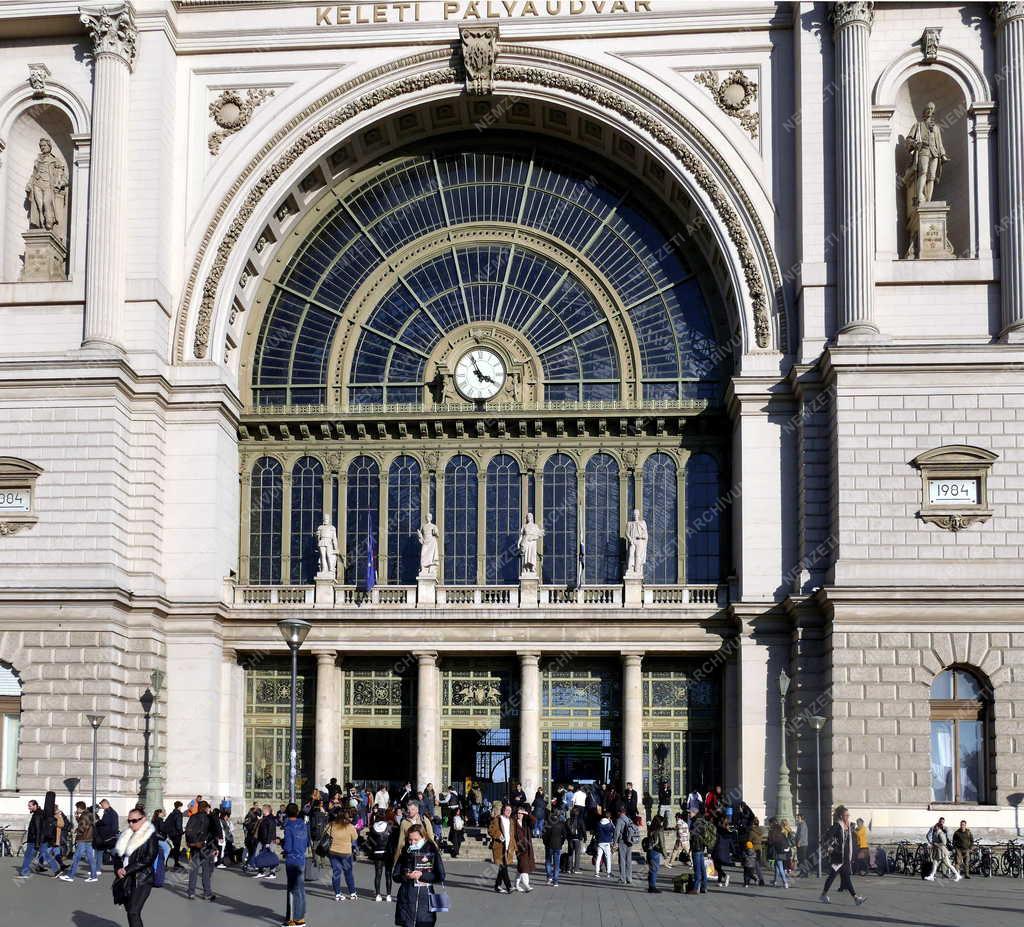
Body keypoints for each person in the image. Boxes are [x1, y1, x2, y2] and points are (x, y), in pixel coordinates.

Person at [112, 809, 159, 927]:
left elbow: (148, 858)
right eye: (129, 821)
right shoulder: (126, 835)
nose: (131, 824)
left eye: (134, 821)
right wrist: (118, 868)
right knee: (130, 911)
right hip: (125, 878)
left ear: (143, 819)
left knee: (133, 912)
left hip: (142, 878)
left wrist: (127, 869)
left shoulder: (150, 836)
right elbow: (116, 855)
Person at [393, 824, 446, 927]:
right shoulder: (405, 851)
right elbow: (395, 875)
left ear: (423, 837)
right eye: (410, 840)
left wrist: (422, 875)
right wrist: (406, 875)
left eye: (416, 840)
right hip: (406, 899)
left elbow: (441, 875)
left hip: (425, 898)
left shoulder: (432, 850)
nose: (412, 842)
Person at [820, 805, 865, 905]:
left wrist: (854, 854)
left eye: (848, 815)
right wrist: (829, 848)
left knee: (846, 877)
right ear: (841, 816)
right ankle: (823, 895)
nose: (848, 817)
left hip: (845, 856)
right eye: (846, 815)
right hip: (837, 856)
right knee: (832, 877)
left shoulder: (849, 826)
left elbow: (850, 841)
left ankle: (856, 898)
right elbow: (826, 837)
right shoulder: (837, 825)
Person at [17, 799, 61, 878]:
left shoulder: (37, 815)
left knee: (28, 856)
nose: (28, 807)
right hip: (42, 840)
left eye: (30, 806)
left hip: (34, 840)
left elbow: (38, 830)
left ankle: (24, 873)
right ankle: (56, 870)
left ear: (35, 805)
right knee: (46, 855)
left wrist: (37, 843)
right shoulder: (41, 813)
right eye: (28, 806)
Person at [184, 800, 217, 902]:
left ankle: (191, 892)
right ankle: (207, 893)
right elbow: (213, 833)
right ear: (206, 808)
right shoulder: (209, 818)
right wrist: (215, 848)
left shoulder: (193, 817)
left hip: (195, 847)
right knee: (206, 871)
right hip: (206, 848)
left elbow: (188, 832)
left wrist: (192, 843)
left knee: (193, 870)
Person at [282, 802, 309, 927]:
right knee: (301, 888)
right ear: (297, 812)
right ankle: (301, 916)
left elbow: (287, 846)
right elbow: (307, 841)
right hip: (301, 857)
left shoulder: (289, 826)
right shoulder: (303, 824)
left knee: (292, 889)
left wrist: (281, 844)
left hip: (292, 859)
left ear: (287, 813)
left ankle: (293, 919)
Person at [362, 809, 397, 902]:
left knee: (378, 873)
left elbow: (370, 839)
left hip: (377, 852)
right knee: (388, 874)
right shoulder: (389, 826)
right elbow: (393, 840)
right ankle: (388, 895)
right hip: (387, 852)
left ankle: (378, 894)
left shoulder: (373, 827)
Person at [59, 802, 99, 882]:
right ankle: (94, 876)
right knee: (91, 858)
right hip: (88, 838)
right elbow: (86, 825)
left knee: (76, 857)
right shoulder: (88, 814)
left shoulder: (84, 816)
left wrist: (77, 830)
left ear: (80, 808)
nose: (76, 810)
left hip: (83, 839)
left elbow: (83, 827)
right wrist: (77, 818)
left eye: (77, 808)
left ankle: (70, 876)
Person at [326, 809, 359, 902]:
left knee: (336, 873)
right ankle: (352, 893)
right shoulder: (350, 827)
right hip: (346, 853)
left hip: (333, 852)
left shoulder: (331, 825)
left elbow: (325, 833)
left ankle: (337, 894)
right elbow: (355, 837)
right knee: (348, 873)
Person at [488, 803, 516, 893]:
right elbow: (490, 830)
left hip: (508, 847)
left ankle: (497, 885)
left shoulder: (511, 821)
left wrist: (514, 846)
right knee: (504, 866)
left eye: (510, 810)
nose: (508, 812)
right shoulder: (498, 819)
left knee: (502, 866)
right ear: (503, 810)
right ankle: (509, 886)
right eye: (507, 810)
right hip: (499, 847)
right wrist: (498, 835)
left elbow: (512, 835)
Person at [924, 816, 960, 882]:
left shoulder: (940, 833)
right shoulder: (935, 831)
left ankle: (957, 875)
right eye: (936, 826)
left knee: (948, 864)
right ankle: (932, 875)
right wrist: (932, 843)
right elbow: (929, 836)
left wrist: (936, 844)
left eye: (936, 826)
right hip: (937, 850)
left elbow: (944, 842)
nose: (935, 827)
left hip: (942, 851)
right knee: (935, 862)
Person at [513, 805, 535, 892]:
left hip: (527, 846)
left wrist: (527, 814)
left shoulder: (526, 822)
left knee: (521, 866)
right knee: (524, 865)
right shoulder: (514, 822)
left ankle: (516, 884)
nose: (519, 815)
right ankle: (526, 884)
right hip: (519, 848)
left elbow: (534, 820)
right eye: (518, 813)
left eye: (521, 813)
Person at [542, 806, 567, 886]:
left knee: (548, 861)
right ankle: (555, 881)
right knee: (556, 864)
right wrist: (561, 843)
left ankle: (549, 877)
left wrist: (545, 842)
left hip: (549, 845)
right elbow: (564, 835)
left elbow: (544, 834)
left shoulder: (547, 823)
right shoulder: (561, 824)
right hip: (557, 845)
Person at [254, 804, 279, 879]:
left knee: (271, 856)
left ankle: (272, 872)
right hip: (262, 840)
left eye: (263, 809)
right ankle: (261, 871)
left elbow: (270, 831)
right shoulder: (264, 818)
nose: (262, 810)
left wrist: (268, 842)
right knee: (258, 854)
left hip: (269, 841)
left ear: (266, 810)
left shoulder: (270, 819)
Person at [687, 812, 709, 894]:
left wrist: (691, 847)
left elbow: (694, 837)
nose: (689, 814)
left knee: (697, 869)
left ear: (695, 813)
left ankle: (696, 888)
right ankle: (704, 887)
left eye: (690, 812)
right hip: (701, 848)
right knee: (702, 868)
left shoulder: (695, 822)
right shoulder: (703, 822)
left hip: (696, 848)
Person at [613, 807, 636, 884]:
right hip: (630, 842)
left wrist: (615, 842)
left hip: (622, 841)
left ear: (620, 812)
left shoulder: (619, 820)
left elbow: (616, 832)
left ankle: (623, 878)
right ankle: (629, 878)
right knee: (628, 860)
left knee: (622, 860)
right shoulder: (629, 819)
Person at [644, 814, 666, 893]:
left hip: (649, 851)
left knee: (651, 869)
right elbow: (662, 842)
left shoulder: (650, 829)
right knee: (654, 870)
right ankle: (652, 887)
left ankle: (651, 886)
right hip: (655, 851)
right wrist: (665, 854)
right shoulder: (659, 829)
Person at [711, 812, 733, 888]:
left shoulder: (719, 828)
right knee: (718, 865)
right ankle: (720, 881)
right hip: (725, 849)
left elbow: (715, 838)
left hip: (718, 848)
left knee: (716, 865)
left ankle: (725, 875)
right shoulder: (728, 829)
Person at [769, 819, 791, 888]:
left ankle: (785, 882)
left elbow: (770, 842)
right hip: (782, 851)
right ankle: (775, 881)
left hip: (777, 852)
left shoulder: (773, 832)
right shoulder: (781, 832)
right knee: (777, 867)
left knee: (780, 867)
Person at [164, 801, 185, 870]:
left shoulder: (172, 813)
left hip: (171, 833)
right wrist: (181, 832)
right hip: (176, 834)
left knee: (172, 848)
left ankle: (168, 861)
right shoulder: (178, 814)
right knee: (176, 848)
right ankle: (175, 862)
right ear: (179, 806)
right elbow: (178, 825)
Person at [594, 811, 614, 878]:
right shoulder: (609, 824)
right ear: (609, 817)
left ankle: (597, 872)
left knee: (599, 857)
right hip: (607, 842)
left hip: (600, 842)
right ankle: (608, 872)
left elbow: (596, 831)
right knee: (608, 857)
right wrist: (611, 822)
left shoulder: (598, 823)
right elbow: (613, 830)